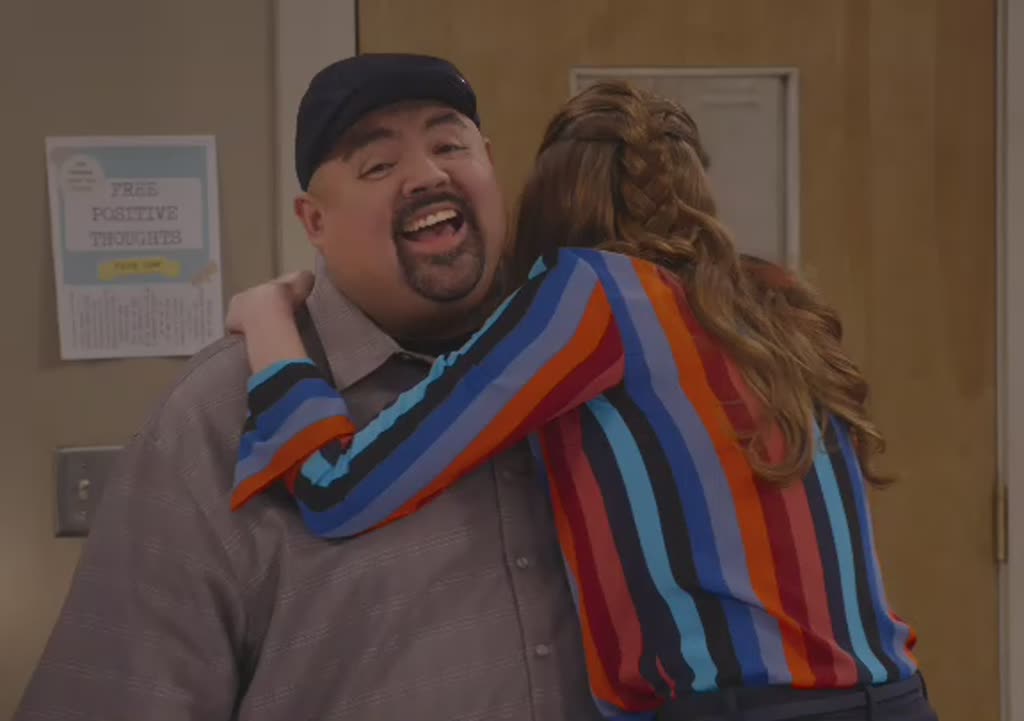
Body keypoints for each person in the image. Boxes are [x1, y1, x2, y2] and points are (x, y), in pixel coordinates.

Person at [225, 81, 937, 721]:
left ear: (545, 198)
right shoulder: (763, 299)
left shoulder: (592, 293)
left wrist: (267, 317)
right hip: (897, 696)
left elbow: (339, 486)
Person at [14, 54, 601, 721]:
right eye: (379, 165)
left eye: (449, 145)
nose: (428, 174)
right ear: (314, 221)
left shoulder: (595, 363)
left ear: (490, 164)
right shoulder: (215, 417)